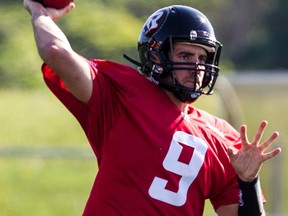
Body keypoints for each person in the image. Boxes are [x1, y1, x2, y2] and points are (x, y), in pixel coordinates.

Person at [23, 1, 281, 215]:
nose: (197, 67)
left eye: (203, 58)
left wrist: (249, 183)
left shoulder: (223, 138)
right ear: (155, 57)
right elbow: (54, 50)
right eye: (185, 56)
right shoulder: (122, 94)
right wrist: (40, 13)